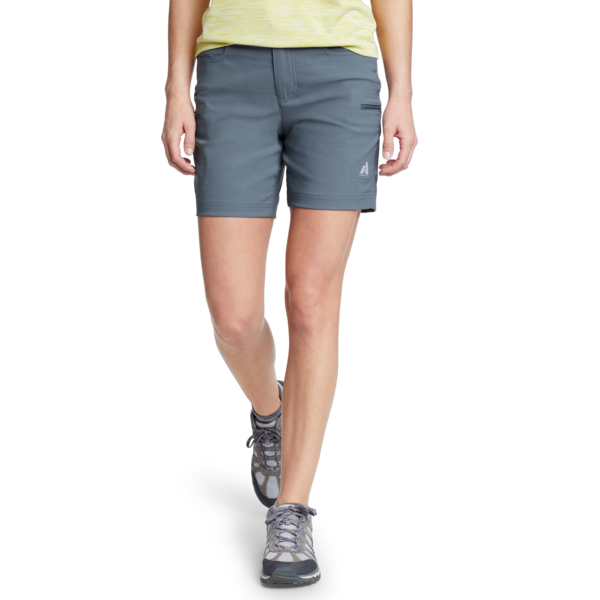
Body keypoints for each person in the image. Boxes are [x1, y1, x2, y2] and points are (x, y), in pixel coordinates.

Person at [161, 0, 416, 587]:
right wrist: (176, 86)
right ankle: (271, 410)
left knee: (309, 303)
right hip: (231, 71)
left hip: (340, 74)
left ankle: (292, 511)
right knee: (233, 318)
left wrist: (401, 90)